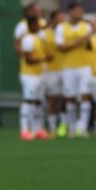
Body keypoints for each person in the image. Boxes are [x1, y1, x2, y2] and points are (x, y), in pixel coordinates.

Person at [55, 2, 93, 137]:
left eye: (81, 11)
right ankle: (71, 127)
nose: (80, 14)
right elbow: (60, 48)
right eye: (77, 11)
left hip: (84, 66)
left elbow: (90, 47)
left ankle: (82, 127)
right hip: (69, 67)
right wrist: (78, 41)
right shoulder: (61, 28)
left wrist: (88, 41)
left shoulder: (86, 27)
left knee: (85, 96)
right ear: (70, 12)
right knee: (69, 98)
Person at [18, 16, 49, 140]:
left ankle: (38, 129)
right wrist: (44, 59)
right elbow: (28, 59)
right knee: (28, 100)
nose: (39, 26)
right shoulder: (28, 40)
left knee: (38, 101)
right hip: (29, 75)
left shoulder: (38, 38)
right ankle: (25, 129)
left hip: (39, 74)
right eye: (37, 24)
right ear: (31, 26)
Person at [42, 9, 66, 137]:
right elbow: (40, 49)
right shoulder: (45, 34)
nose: (62, 20)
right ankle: (51, 127)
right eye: (59, 17)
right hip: (51, 70)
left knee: (65, 100)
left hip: (64, 69)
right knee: (52, 99)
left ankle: (63, 126)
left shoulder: (64, 32)